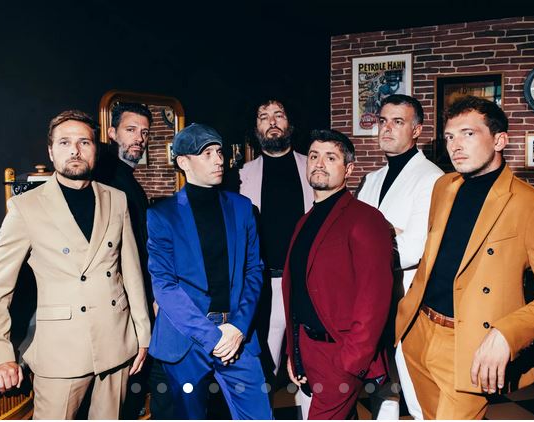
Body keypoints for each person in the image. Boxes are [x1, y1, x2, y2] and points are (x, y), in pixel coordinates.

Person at [396, 96, 534, 419]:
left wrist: (507, 332)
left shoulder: (531, 205)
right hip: (418, 330)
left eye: (468, 134)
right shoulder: (444, 186)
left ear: (499, 140)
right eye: (449, 137)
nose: (455, 146)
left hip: (469, 342)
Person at [0, 110, 151, 419]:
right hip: (61, 353)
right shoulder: (25, 207)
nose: (75, 150)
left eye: (84, 142)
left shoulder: (116, 199)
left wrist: (142, 334)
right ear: (51, 151)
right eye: (64, 142)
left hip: (116, 343)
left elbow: (131, 272)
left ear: (95, 149)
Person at [147, 123, 272, 419]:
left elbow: (254, 270)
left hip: (238, 334)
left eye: (219, 152)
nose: (218, 160)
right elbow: (164, 286)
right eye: (207, 154)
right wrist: (211, 337)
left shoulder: (242, 207)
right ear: (183, 162)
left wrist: (238, 328)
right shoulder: (162, 215)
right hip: (187, 339)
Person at [283, 129, 393, 419]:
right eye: (314, 156)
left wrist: (351, 361)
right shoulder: (305, 221)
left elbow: (375, 298)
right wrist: (294, 352)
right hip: (308, 348)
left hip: (340, 353)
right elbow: (297, 292)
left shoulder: (366, 219)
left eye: (330, 157)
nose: (319, 163)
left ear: (349, 169)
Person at [356, 94, 443, 419]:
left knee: (416, 391)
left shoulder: (432, 177)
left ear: (417, 130)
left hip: (407, 299)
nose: (387, 128)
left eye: (398, 121)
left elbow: (414, 248)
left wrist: (372, 243)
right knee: (382, 384)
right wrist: (390, 233)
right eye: (383, 121)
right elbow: (355, 236)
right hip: (371, 298)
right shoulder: (372, 179)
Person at [93, 102, 172, 419]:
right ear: (111, 132)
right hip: (118, 305)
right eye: (130, 130)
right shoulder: (107, 178)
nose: (139, 138)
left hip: (135, 299)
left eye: (145, 132)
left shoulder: (125, 178)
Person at [239, 99, 313, 382]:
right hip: (264, 285)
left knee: (310, 368)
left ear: (289, 123)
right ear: (256, 127)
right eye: (264, 117)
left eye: (278, 115)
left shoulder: (311, 167)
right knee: (264, 373)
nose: (272, 121)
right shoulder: (240, 176)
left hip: (305, 283)